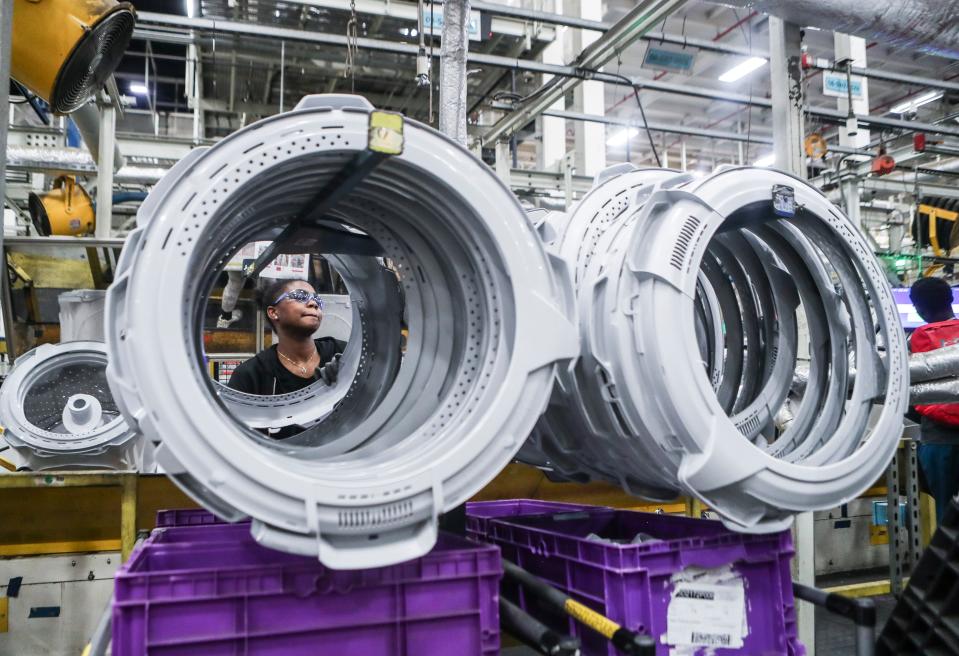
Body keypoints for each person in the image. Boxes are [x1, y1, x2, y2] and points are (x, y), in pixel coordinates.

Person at [228, 279, 345, 397]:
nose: (313, 304)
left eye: (317, 300)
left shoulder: (343, 352)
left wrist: (349, 373)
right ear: (273, 312)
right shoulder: (250, 375)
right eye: (299, 296)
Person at [908, 276, 959, 522]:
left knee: (948, 518)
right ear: (951, 300)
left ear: (918, 308)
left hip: (939, 440)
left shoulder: (914, 340)